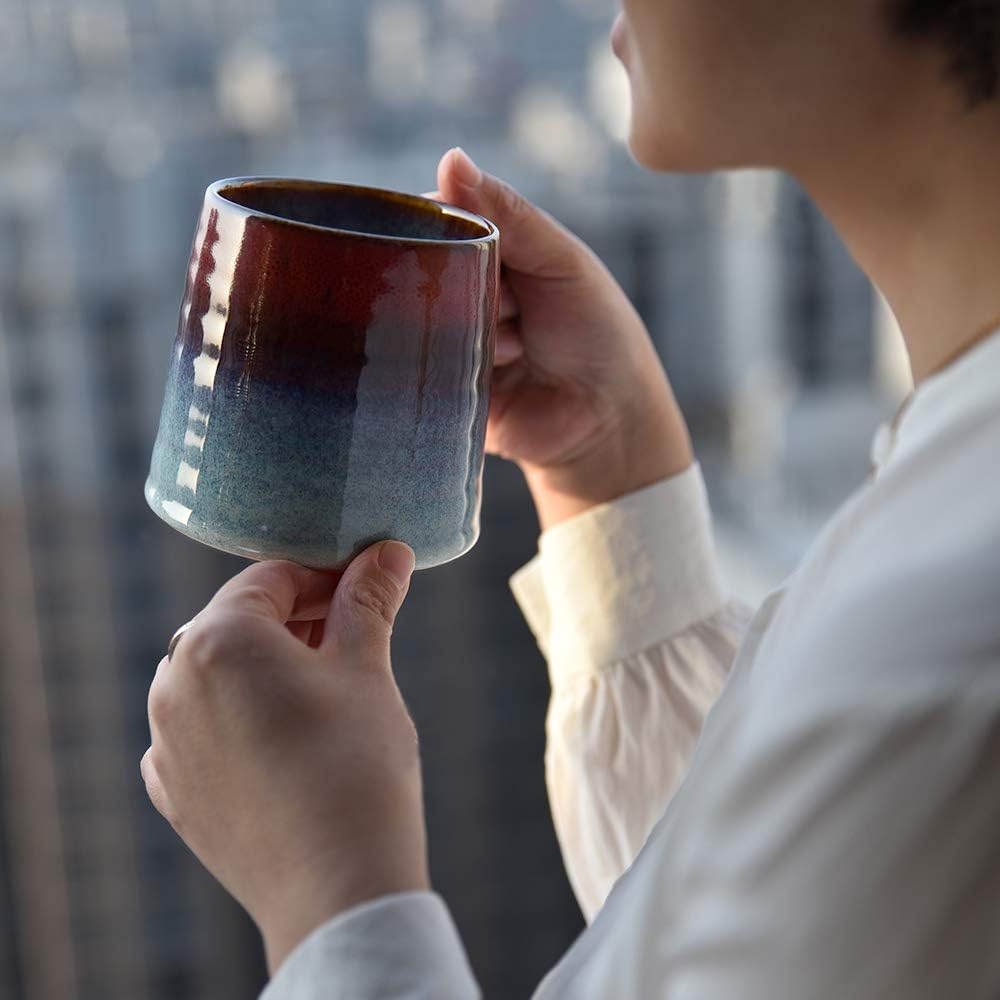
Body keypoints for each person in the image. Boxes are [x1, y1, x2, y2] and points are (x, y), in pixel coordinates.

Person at [141, 0, 1000, 996]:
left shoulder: (950, 652)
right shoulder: (948, 506)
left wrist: (331, 899)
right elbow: (778, 922)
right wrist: (610, 475)